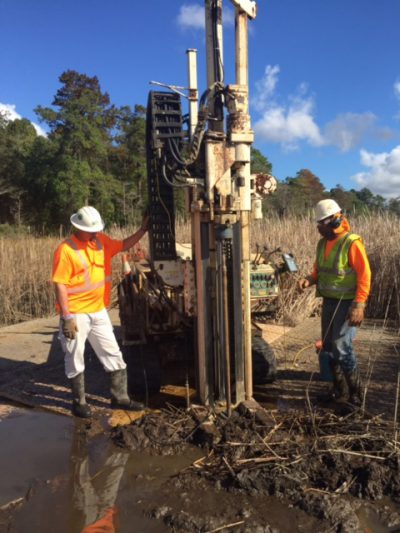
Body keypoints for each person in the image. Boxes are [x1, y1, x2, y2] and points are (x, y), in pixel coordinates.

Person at [52, 205, 149, 418]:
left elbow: (123, 244)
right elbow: (60, 284)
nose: (95, 233)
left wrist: (142, 230)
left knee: (112, 352)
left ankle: (120, 398)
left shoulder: (101, 241)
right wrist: (67, 317)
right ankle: (79, 402)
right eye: (91, 230)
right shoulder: (66, 250)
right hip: (76, 312)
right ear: (78, 228)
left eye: (97, 229)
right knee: (74, 355)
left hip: (98, 311)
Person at [299, 199, 371, 405]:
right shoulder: (322, 243)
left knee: (342, 346)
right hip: (329, 301)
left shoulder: (352, 242)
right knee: (329, 347)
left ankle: (356, 395)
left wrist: (360, 304)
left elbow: (364, 275)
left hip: (347, 303)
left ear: (335, 220)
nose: (319, 228)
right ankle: (339, 392)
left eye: (322, 223)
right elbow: (318, 271)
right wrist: (309, 279)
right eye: (318, 224)